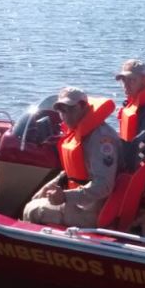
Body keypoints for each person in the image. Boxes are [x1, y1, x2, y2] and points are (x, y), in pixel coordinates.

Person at [23, 87, 120, 227]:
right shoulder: (81, 133)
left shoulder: (100, 140)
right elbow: (76, 169)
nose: (65, 115)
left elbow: (104, 186)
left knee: (31, 209)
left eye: (70, 109)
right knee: (37, 197)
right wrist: (52, 184)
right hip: (83, 201)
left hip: (91, 211)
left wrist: (65, 196)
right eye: (61, 110)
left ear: (83, 107)